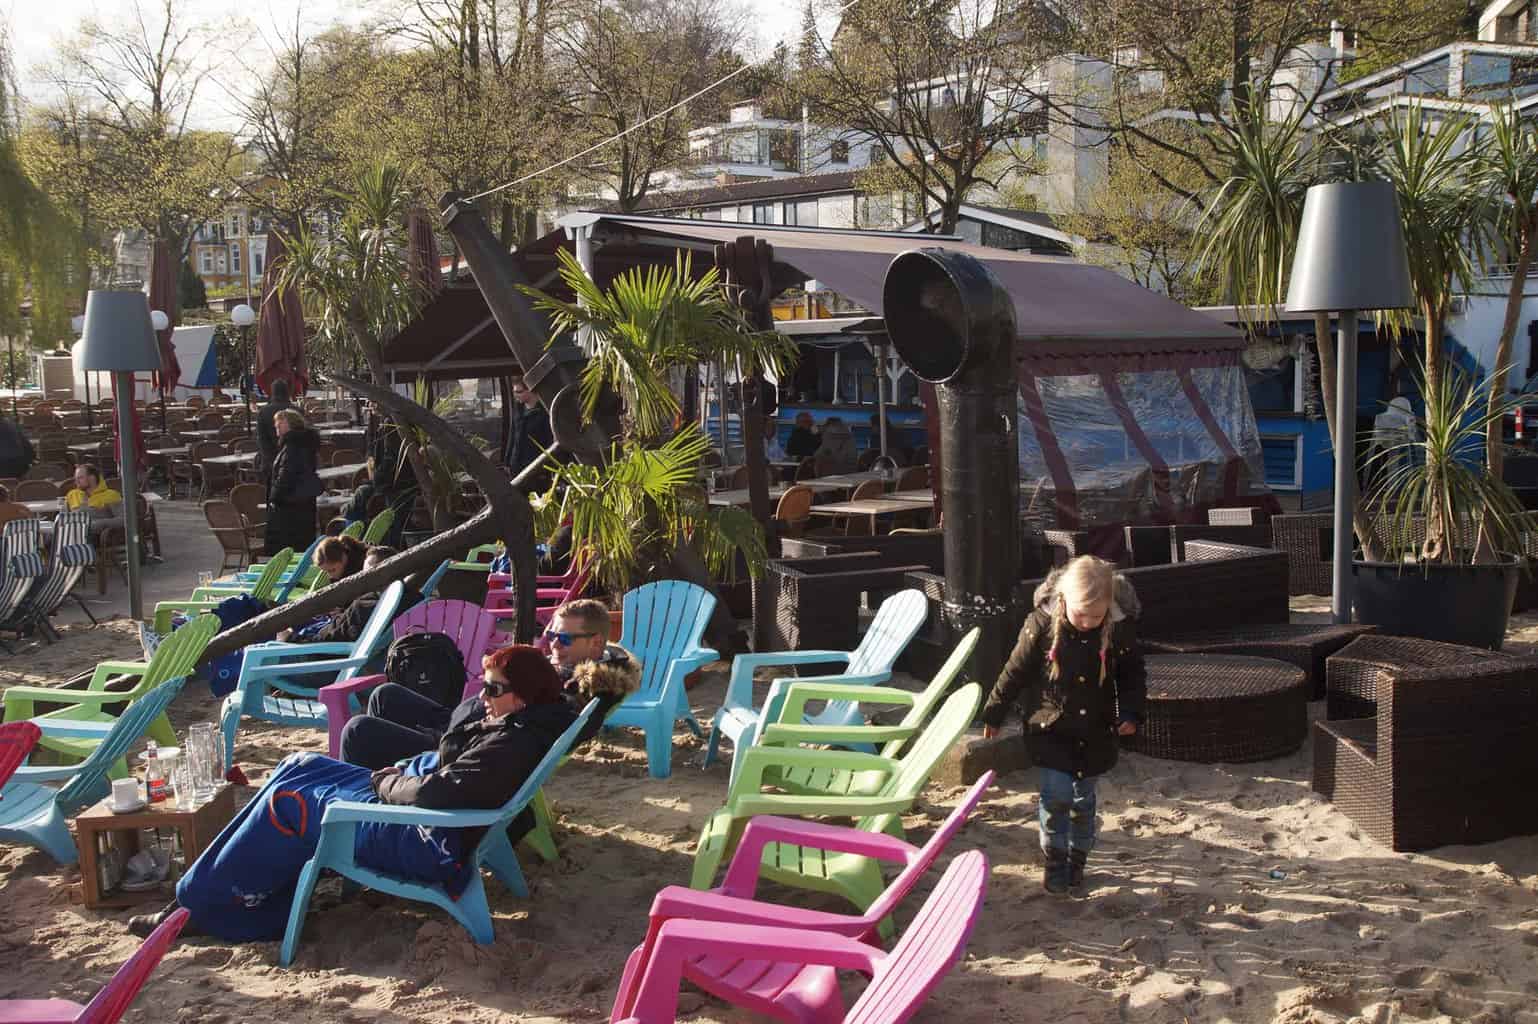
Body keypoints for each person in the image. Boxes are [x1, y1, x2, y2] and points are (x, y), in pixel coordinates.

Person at [128, 645, 578, 942]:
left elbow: (430, 796)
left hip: (421, 839)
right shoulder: (521, 722)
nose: (482, 695)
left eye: (492, 688)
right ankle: (200, 896)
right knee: (296, 766)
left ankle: (207, 909)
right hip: (421, 815)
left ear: (521, 697)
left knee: (290, 802)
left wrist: (385, 780)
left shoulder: (511, 741)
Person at [980, 555, 1145, 896]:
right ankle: (1054, 858)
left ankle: (1077, 859)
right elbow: (1015, 671)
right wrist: (995, 712)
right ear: (1064, 600)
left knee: (1083, 801)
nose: (1087, 623)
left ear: (1109, 608)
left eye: (1096, 616)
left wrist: (1130, 712)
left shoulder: (1118, 628)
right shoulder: (1041, 625)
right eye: (1080, 614)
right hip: (1050, 728)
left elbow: (1132, 675)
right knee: (1056, 797)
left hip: (1095, 733)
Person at [338, 597, 639, 768]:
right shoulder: (572, 672)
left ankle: (361, 805)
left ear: (596, 643)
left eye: (563, 639)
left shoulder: (577, 692)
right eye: (550, 635)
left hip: (470, 745)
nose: (553, 645)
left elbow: (521, 731)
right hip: (464, 725)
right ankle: (379, 785)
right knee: (384, 695)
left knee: (357, 732)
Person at [276, 542, 409, 644]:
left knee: (264, 648)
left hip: (322, 662)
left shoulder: (363, 606)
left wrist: (292, 638)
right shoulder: (411, 599)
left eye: (368, 573)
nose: (363, 577)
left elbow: (328, 638)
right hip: (343, 643)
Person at [265, 409, 322, 556]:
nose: (276, 427)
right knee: (302, 548)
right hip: (304, 503)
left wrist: (274, 497)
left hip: (290, 507)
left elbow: (286, 475)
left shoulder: (293, 447)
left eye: (279, 424)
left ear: (289, 424)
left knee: (289, 550)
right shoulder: (304, 444)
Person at [505, 375, 553, 489]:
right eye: (514, 392)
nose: (516, 395)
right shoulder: (518, 410)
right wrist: (507, 461)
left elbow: (549, 441)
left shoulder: (544, 412)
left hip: (535, 467)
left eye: (519, 392)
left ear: (530, 390)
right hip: (516, 465)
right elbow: (512, 435)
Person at [255, 379, 294, 483]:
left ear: (272, 392)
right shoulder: (297, 411)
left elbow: (262, 442)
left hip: (271, 466)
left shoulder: (263, 412)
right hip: (295, 463)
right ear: (287, 392)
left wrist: (273, 463)